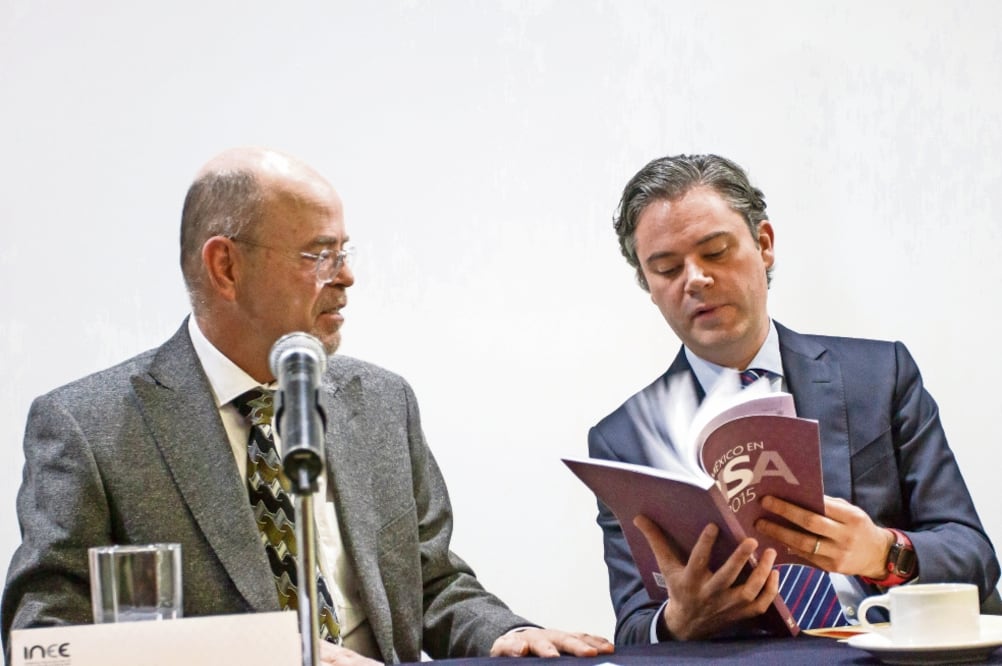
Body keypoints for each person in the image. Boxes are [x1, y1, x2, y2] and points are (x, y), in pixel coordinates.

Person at [1, 147, 614, 665]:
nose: (347, 277)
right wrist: (268, 654)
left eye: (344, 251)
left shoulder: (380, 403)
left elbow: (431, 581)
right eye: (320, 255)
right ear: (226, 266)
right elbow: (45, 638)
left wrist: (503, 631)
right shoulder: (90, 426)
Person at [588, 153, 1001, 644]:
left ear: (764, 245)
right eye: (667, 268)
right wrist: (681, 620)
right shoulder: (624, 439)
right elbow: (636, 629)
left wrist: (880, 553)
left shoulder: (879, 376)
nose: (695, 279)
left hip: (887, 652)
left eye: (716, 251)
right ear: (650, 288)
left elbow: (974, 557)